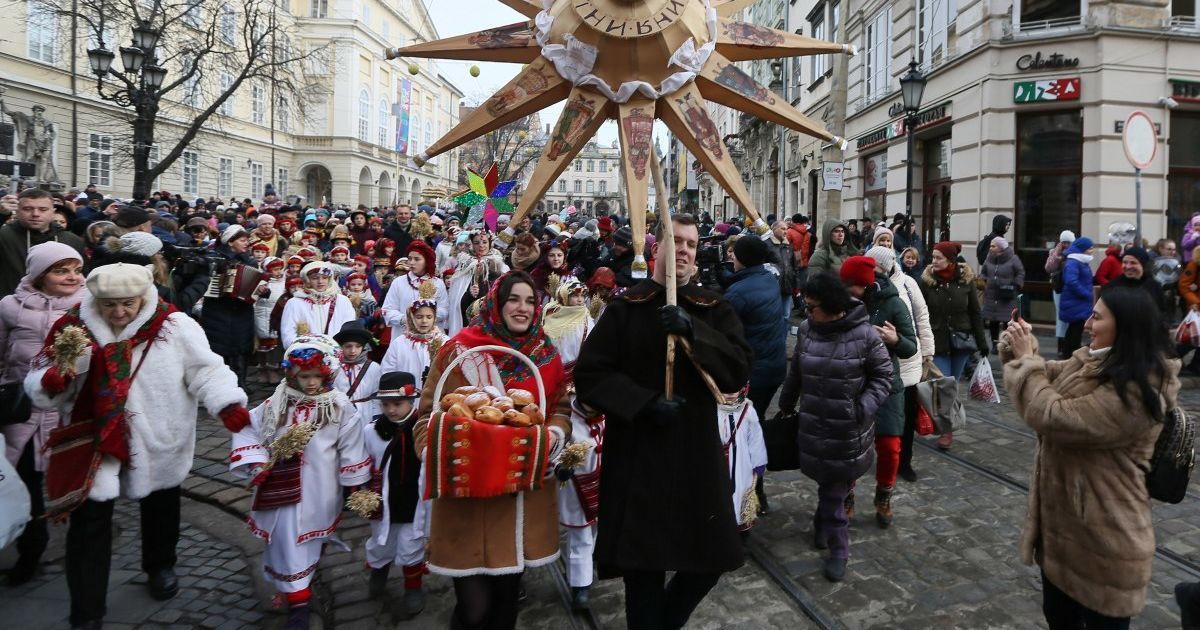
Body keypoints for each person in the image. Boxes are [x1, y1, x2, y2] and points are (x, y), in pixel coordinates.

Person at [25, 263, 249, 629]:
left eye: (126, 304)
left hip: (158, 432)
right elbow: (40, 377)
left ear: (143, 296)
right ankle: (87, 612)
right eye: (109, 305)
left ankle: (160, 565)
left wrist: (226, 403)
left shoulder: (175, 325)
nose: (117, 313)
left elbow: (205, 370)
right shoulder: (72, 328)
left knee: (161, 505)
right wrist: (51, 381)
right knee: (88, 523)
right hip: (92, 437)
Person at [574, 213, 753, 629]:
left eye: (692, 244)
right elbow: (590, 376)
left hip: (695, 456)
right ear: (657, 249)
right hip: (639, 458)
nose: (686, 250)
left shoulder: (713, 307)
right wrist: (643, 402)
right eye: (677, 242)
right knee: (644, 570)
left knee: (712, 557)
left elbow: (739, 369)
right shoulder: (625, 308)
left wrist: (694, 331)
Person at [1000, 284, 1180, 630]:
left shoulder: (1143, 388)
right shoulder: (1096, 358)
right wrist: (1021, 347)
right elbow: (1049, 375)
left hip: (1106, 546)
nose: (1086, 323)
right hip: (1063, 535)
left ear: (1124, 326)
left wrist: (1027, 360)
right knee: (1059, 619)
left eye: (1096, 317)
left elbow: (1054, 415)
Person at [414, 271, 572, 630]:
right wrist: (437, 452)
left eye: (530, 300)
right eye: (514, 299)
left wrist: (554, 441)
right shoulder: (459, 351)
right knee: (473, 609)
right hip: (470, 496)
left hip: (520, 495)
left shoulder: (544, 352)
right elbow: (427, 416)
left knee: (505, 606)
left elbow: (560, 408)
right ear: (496, 305)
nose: (523, 308)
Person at [229, 335, 372, 630]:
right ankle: (299, 603)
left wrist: (356, 484)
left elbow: (351, 445)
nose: (309, 383)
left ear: (327, 374)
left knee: (311, 539)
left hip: (321, 488)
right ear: (292, 374)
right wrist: (256, 462)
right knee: (286, 541)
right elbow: (249, 428)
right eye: (304, 376)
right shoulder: (278, 402)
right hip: (282, 488)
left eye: (316, 376)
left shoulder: (338, 406)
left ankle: (294, 586)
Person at [777, 272, 893, 582]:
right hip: (813, 422)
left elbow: (884, 377)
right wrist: (786, 403)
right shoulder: (806, 330)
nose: (806, 310)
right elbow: (797, 372)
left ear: (831, 306)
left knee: (834, 491)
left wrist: (862, 409)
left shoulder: (865, 335)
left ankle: (839, 548)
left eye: (812, 306)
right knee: (828, 483)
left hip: (848, 428)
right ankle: (821, 524)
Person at [0, 243, 87, 586]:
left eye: (75, 269)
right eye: (60, 269)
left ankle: (80, 545)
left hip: (69, 412)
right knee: (25, 481)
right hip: (21, 411)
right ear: (39, 275)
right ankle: (31, 549)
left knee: (72, 480)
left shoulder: (89, 306)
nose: (71, 276)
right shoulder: (9, 306)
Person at [839, 256, 917, 528]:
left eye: (852, 286)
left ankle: (884, 495)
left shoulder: (893, 303)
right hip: (851, 383)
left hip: (886, 384)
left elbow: (910, 346)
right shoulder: (840, 302)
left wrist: (894, 339)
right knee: (849, 449)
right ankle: (846, 497)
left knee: (890, 446)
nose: (848, 290)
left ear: (866, 284)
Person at [542, 277, 602, 611]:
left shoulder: (588, 320)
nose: (580, 298)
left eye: (582, 293)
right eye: (574, 293)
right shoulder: (550, 321)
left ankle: (582, 570)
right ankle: (579, 579)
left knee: (588, 520)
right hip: (564, 400)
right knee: (578, 518)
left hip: (588, 393)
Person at [723, 232, 786, 516]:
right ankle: (757, 489)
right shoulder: (769, 279)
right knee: (756, 424)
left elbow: (724, 330)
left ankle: (752, 491)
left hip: (754, 371)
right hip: (773, 367)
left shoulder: (739, 292)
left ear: (742, 258)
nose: (730, 257)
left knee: (747, 432)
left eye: (735, 253)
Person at [865, 246, 934, 483]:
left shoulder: (907, 284)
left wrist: (928, 350)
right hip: (882, 362)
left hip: (908, 360)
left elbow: (921, 316)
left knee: (904, 416)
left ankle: (905, 462)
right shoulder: (866, 288)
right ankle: (880, 455)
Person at [362, 370, 428, 619]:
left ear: (411, 401)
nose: (391, 410)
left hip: (414, 500)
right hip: (384, 500)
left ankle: (413, 588)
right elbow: (363, 461)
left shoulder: (424, 429)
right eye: (386, 404)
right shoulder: (372, 431)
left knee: (411, 544)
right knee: (381, 540)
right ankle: (379, 570)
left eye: (397, 404)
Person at [920, 241, 988, 450]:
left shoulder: (966, 282)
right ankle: (947, 430)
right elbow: (920, 315)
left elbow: (975, 313)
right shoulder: (926, 282)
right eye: (933, 257)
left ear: (950, 260)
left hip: (961, 341)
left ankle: (947, 426)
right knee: (944, 385)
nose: (934, 261)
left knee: (953, 385)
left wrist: (982, 342)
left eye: (939, 257)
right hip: (937, 340)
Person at [202, 225, 259, 387]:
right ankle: (220, 385)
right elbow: (205, 282)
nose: (247, 243)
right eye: (242, 240)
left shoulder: (249, 260)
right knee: (220, 348)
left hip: (242, 310)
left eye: (247, 240)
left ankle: (240, 383)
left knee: (242, 347)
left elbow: (256, 283)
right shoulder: (215, 258)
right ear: (230, 242)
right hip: (218, 310)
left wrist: (262, 290)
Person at [0, 188, 86, 297]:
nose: (35, 214)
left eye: (43, 209)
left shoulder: (72, 241)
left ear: (53, 212)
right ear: (17, 210)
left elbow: (83, 278)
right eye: (27, 209)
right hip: (11, 307)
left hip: (61, 310)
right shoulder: (4, 236)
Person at [280, 262, 357, 350]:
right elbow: (288, 333)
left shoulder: (342, 301)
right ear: (307, 280)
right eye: (315, 278)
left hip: (337, 355)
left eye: (324, 278)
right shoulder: (294, 303)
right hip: (307, 357)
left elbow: (349, 329)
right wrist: (303, 352)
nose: (320, 282)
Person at [445, 231, 509, 337]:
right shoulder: (464, 264)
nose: (481, 246)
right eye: (477, 242)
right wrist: (470, 294)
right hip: (469, 324)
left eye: (484, 242)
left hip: (492, 321)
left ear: (490, 243)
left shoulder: (500, 266)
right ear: (471, 244)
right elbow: (457, 302)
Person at [981, 237, 1026, 354]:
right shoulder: (989, 258)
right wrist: (984, 280)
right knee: (993, 321)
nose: (990, 248)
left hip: (1007, 294)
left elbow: (1020, 272)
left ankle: (1006, 343)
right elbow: (984, 272)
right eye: (991, 246)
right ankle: (995, 344)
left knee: (1007, 321)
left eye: (993, 246)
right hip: (991, 294)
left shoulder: (1013, 258)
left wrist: (1016, 284)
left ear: (1001, 247)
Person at [333, 320, 382, 422]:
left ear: (363, 347)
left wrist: (376, 418)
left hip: (365, 416)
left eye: (358, 346)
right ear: (341, 346)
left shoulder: (373, 367)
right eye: (348, 346)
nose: (353, 351)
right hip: (340, 416)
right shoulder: (334, 367)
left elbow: (377, 397)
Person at [1060, 237, 1096, 357]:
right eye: (1090, 248)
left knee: (1075, 330)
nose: (1092, 250)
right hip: (1075, 302)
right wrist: (1087, 294)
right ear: (1082, 249)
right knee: (1074, 331)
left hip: (1078, 302)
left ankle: (1070, 354)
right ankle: (1070, 356)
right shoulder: (1073, 262)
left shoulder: (1081, 262)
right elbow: (1071, 282)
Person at [1045, 231, 1076, 359]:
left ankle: (1069, 345)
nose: (1066, 244)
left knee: (1070, 317)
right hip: (1059, 288)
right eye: (1064, 242)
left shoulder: (1076, 252)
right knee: (1060, 317)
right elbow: (1048, 268)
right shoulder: (1055, 252)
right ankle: (1060, 345)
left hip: (1071, 289)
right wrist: (1057, 255)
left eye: (1068, 242)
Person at [766, 221, 796, 318]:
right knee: (773, 315)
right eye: (782, 229)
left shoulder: (788, 245)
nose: (786, 231)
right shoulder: (767, 245)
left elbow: (793, 266)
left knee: (786, 315)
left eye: (786, 229)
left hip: (787, 285)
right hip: (773, 286)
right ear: (774, 229)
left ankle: (784, 332)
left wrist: (796, 284)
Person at [1152, 239, 1181, 322]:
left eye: (1174, 249)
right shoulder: (1153, 261)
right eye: (1169, 249)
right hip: (1155, 295)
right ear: (1161, 249)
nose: (1172, 252)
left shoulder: (1177, 262)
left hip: (1170, 295)